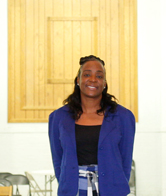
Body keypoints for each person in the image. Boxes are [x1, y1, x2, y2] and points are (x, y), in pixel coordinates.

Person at [48, 55, 136, 196]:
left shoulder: (123, 117)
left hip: (111, 191)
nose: (93, 79)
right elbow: (57, 159)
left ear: (105, 83)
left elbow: (126, 160)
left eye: (99, 76)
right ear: (78, 80)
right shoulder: (59, 117)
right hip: (73, 190)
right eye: (87, 74)